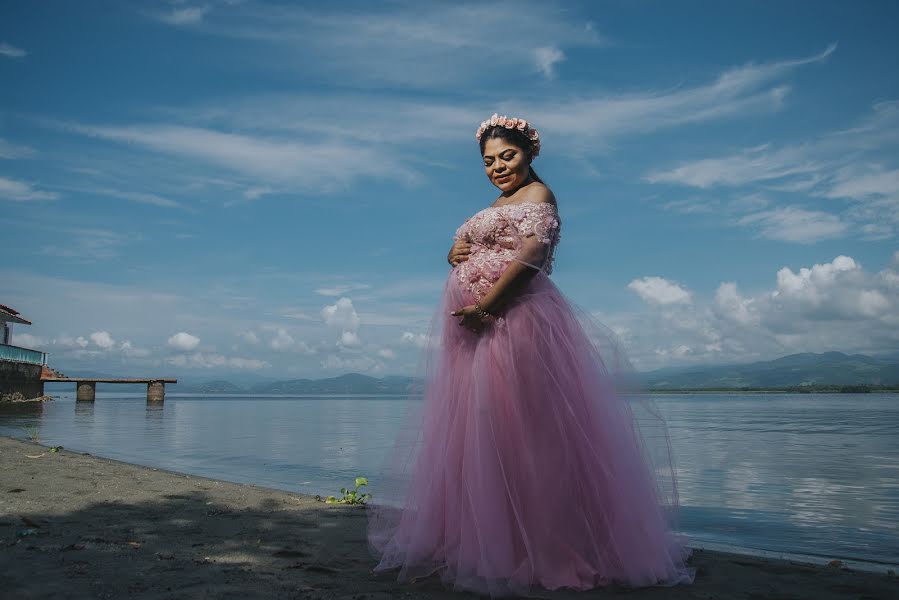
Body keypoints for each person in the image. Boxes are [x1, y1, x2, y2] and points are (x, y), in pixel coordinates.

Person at [367, 114, 695, 597]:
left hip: (516, 325)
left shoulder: (539, 196)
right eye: (489, 161)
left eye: (508, 156)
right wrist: (456, 253)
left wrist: (486, 305)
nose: (498, 167)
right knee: (484, 437)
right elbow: (470, 249)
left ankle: (547, 548)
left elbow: (531, 258)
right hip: (475, 335)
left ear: (529, 153)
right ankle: (490, 541)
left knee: (529, 437)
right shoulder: (497, 203)